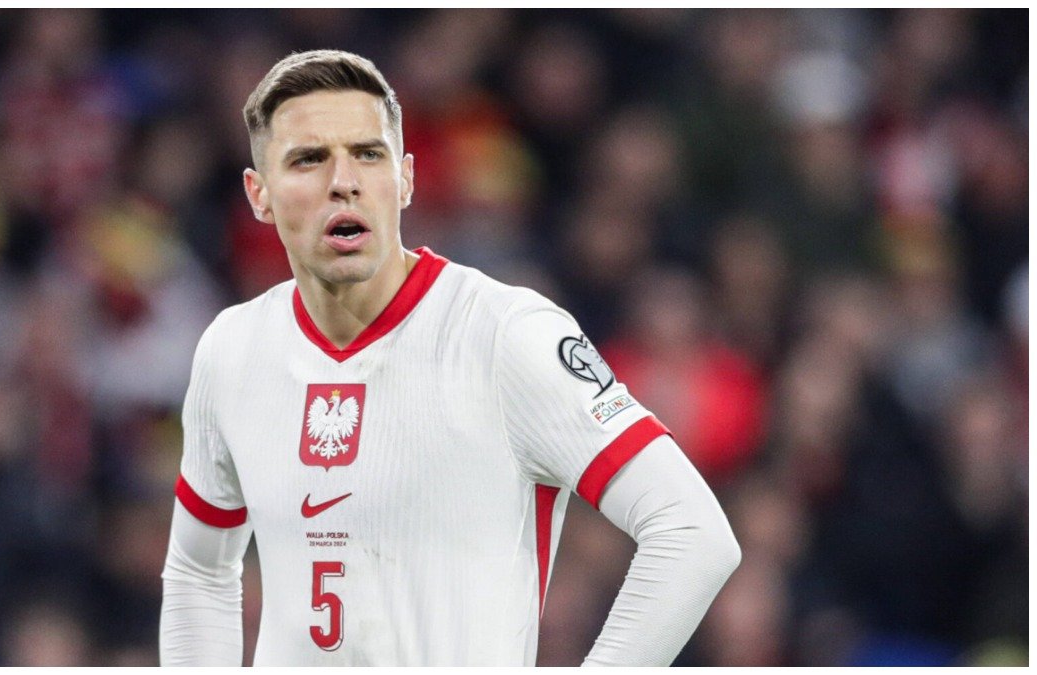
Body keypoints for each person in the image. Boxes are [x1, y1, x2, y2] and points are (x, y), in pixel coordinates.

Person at [159, 49, 740, 667]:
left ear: (406, 179)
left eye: (368, 154)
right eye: (309, 159)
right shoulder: (233, 348)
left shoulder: (505, 335)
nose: (344, 181)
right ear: (260, 194)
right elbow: (199, 569)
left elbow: (693, 534)